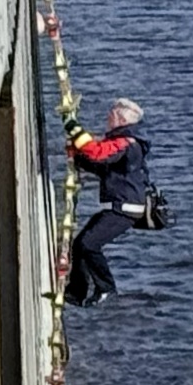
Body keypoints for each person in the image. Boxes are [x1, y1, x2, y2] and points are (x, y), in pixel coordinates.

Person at [63, 97, 154, 305]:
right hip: (118, 206)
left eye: (111, 114)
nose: (107, 118)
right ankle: (76, 293)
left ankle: (106, 288)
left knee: (88, 244)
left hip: (125, 208)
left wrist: (73, 127)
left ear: (121, 119)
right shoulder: (124, 142)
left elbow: (97, 153)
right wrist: (78, 158)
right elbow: (103, 167)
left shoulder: (125, 142)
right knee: (79, 245)